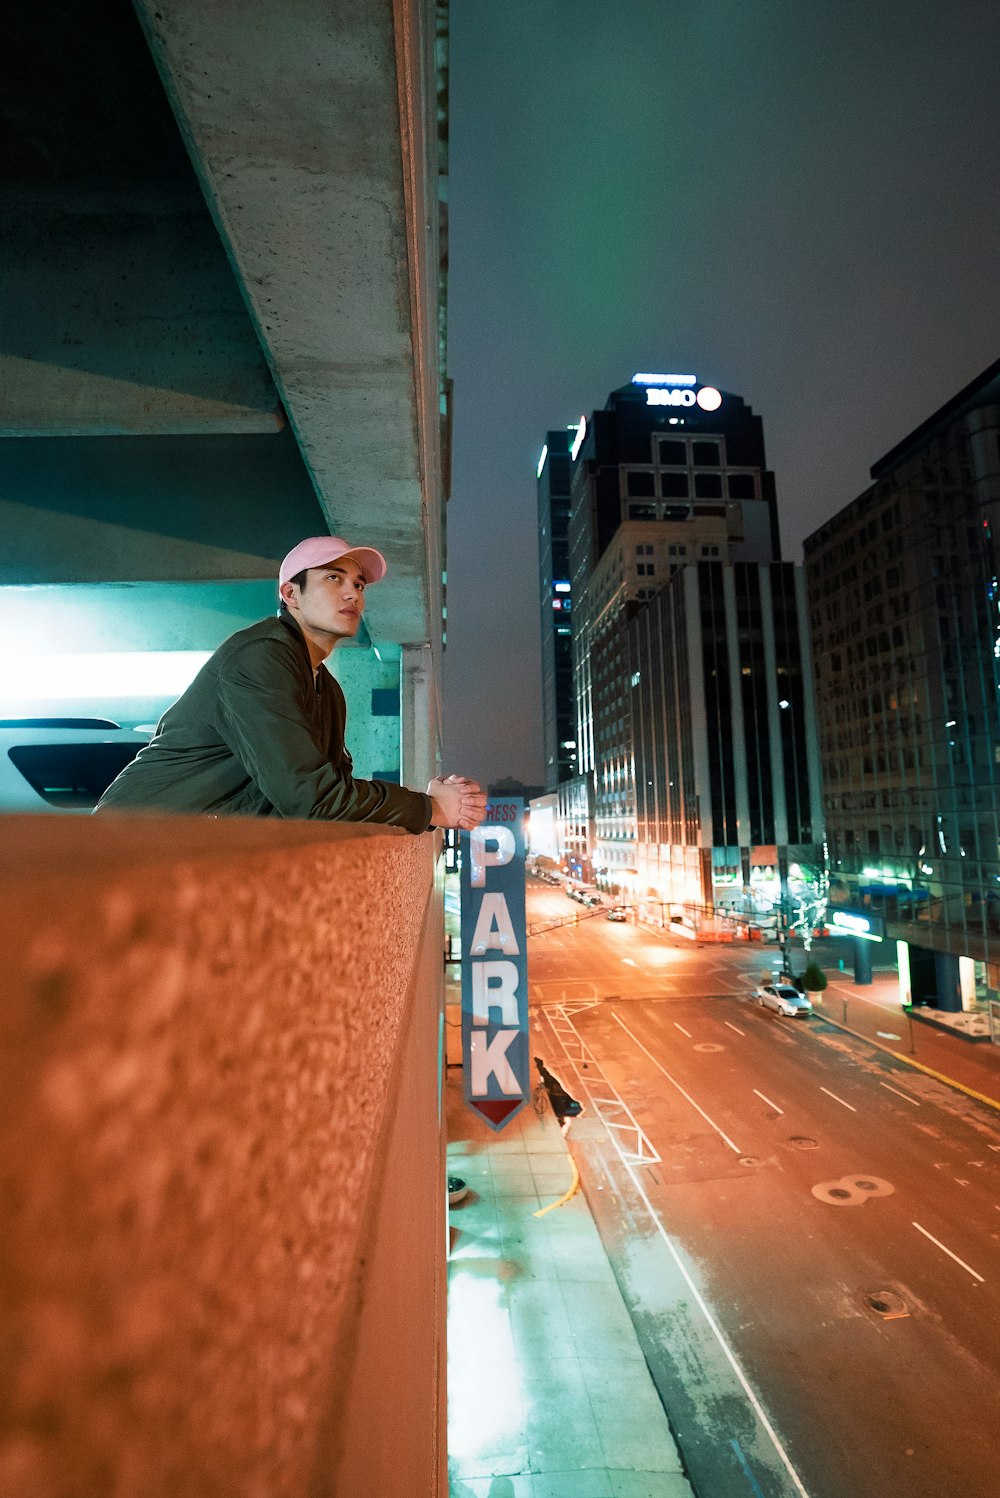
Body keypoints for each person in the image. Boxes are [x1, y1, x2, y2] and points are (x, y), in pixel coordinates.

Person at [95, 536, 486, 833]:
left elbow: (337, 791)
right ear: (290, 594)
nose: (353, 593)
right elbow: (312, 799)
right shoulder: (260, 656)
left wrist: (429, 799)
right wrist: (431, 808)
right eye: (333, 578)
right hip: (126, 847)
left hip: (191, 852)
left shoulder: (326, 688)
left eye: (360, 584)